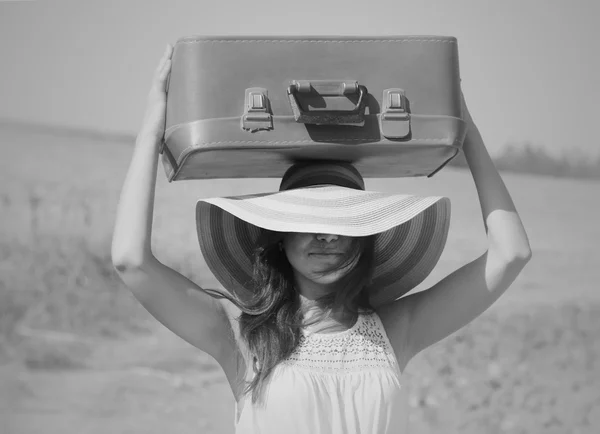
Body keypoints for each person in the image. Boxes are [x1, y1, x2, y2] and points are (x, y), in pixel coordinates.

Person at [112, 45, 532, 434]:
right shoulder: (240, 335)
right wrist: (151, 130)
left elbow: (511, 253)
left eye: (346, 224)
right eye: (307, 221)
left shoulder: (396, 330)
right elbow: (131, 261)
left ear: (365, 239)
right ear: (280, 238)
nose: (326, 236)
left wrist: (467, 132)